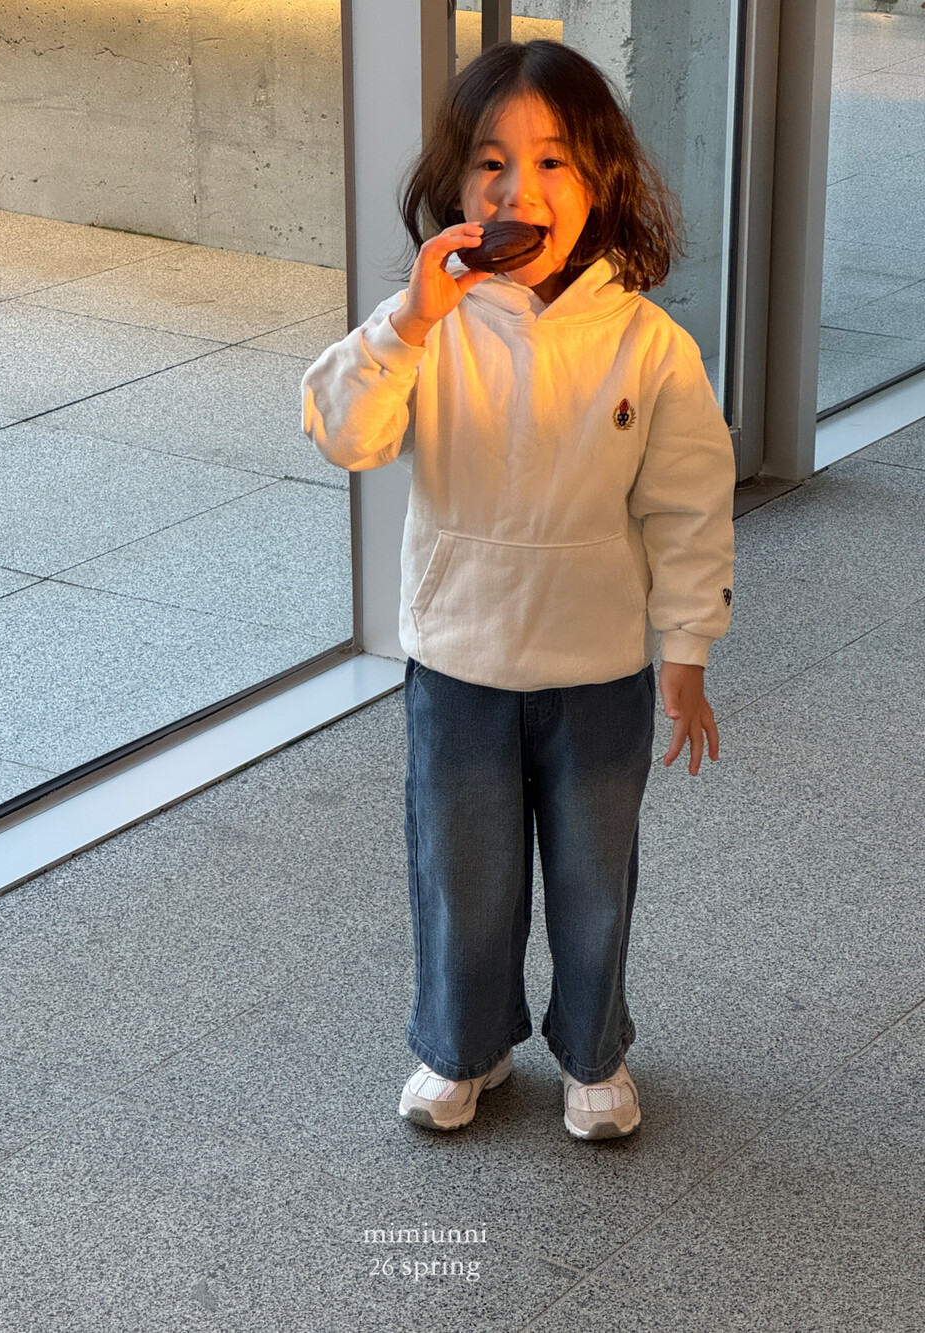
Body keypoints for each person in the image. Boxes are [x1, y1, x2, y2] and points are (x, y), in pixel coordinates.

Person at [301, 40, 735, 1140]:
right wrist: (408, 321)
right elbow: (345, 434)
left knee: (594, 877)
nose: (515, 190)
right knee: (463, 874)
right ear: (453, 188)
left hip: (598, 666)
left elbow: (688, 506)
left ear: (601, 183)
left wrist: (686, 649)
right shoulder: (428, 328)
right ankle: (463, 1047)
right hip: (458, 661)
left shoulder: (649, 344)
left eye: (550, 162)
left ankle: (593, 1052)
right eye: (489, 162)